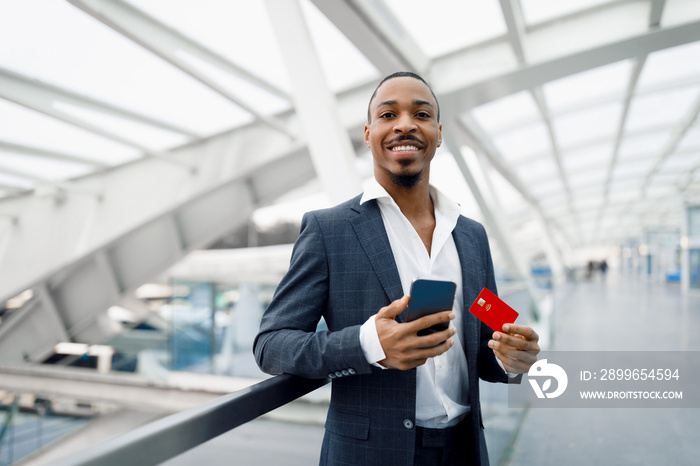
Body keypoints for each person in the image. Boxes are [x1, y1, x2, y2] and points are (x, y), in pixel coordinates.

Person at [254, 72, 540, 466]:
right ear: (370, 133)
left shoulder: (472, 236)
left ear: (438, 134)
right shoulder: (328, 230)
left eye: (420, 114)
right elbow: (271, 345)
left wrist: (512, 359)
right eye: (389, 114)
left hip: (464, 450)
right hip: (369, 454)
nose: (405, 123)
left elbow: (488, 338)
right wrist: (370, 344)